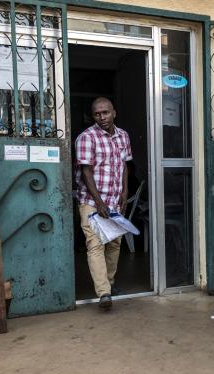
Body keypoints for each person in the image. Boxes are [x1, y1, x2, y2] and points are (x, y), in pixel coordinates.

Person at [75, 97, 132, 309]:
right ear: (93, 116)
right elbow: (86, 171)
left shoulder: (123, 136)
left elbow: (125, 165)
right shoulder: (86, 138)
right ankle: (103, 293)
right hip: (92, 201)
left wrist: (125, 192)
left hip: (115, 200)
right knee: (95, 243)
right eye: (97, 114)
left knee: (115, 243)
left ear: (114, 113)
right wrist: (98, 201)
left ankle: (109, 283)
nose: (102, 117)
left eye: (105, 112)